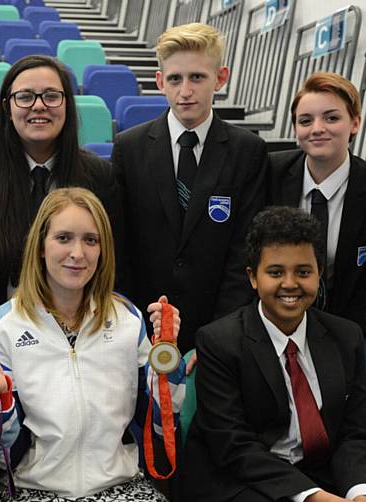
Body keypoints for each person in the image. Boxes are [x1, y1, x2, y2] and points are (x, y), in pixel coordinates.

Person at [0, 187, 185, 502]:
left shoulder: (128, 319)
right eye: (63, 238)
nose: (78, 253)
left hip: (121, 488)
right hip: (32, 492)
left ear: (103, 249)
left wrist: (168, 361)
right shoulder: (5, 324)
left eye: (90, 240)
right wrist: (0, 403)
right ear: (40, 246)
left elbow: (162, 428)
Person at [179, 206, 366, 502]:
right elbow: (234, 447)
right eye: (275, 272)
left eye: (303, 272)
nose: (290, 284)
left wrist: (361, 495)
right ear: (252, 277)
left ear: (319, 274)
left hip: (324, 470)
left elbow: (355, 432)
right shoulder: (219, 341)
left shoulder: (345, 336)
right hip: (241, 479)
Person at [111, 22, 268, 355]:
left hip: (219, 327)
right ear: (159, 82)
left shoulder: (247, 151)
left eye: (197, 77)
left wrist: (219, 333)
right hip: (141, 326)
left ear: (220, 78)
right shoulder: (130, 147)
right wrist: (134, 325)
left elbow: (245, 248)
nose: (185, 91)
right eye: (175, 79)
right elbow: (120, 245)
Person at [0, 55, 124, 340]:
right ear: (7, 107)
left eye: (51, 96)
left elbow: (112, 266)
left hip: (84, 336)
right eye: (25, 97)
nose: (39, 105)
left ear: (67, 105)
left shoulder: (99, 177)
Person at [268, 72, 366, 337]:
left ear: (355, 123)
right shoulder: (270, 173)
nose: (317, 128)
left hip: (342, 322)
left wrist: (349, 332)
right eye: (305, 121)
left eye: (331, 118)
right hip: (271, 321)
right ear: (296, 128)